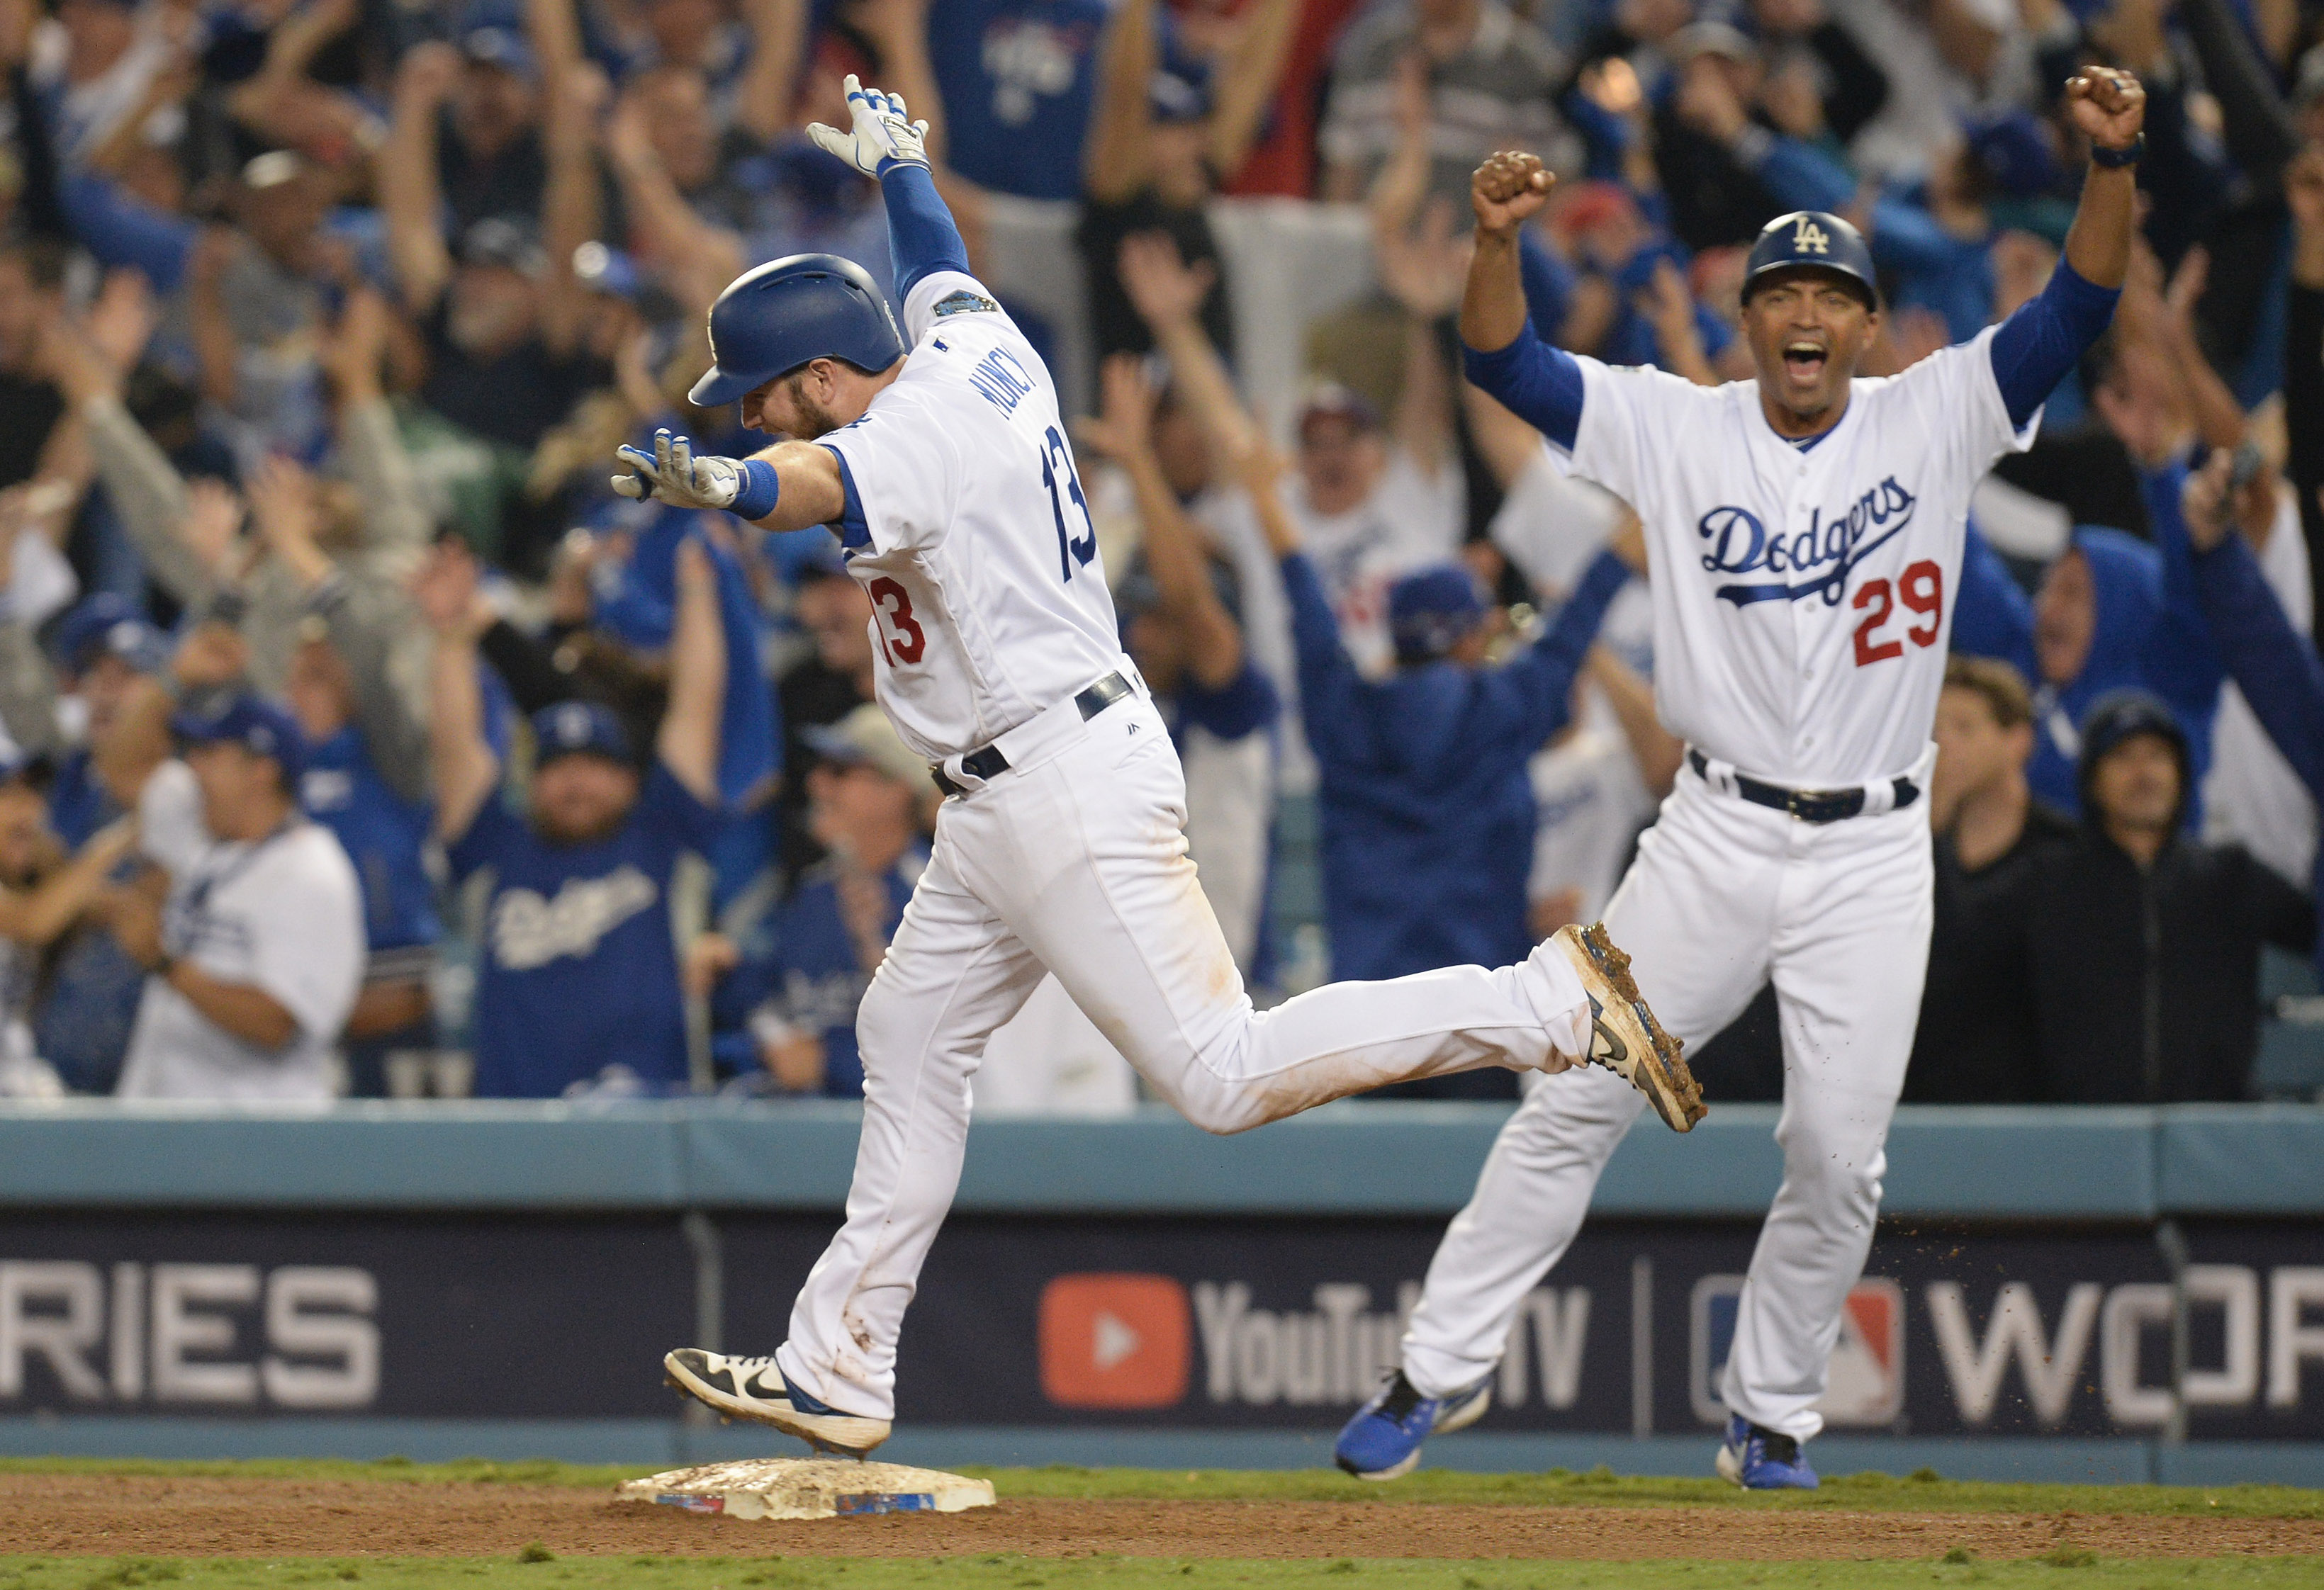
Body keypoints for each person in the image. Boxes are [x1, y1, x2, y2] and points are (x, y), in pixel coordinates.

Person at [610, 74, 1695, 1459]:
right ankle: (839, 1367)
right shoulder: (965, 341)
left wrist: (730, 487)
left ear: (821, 373)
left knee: (1221, 1074)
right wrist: (900, 166)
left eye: (760, 400)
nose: (754, 422)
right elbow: (938, 264)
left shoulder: (908, 434)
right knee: (907, 1037)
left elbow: (816, 486)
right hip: (1012, 787)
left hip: (1061, 775)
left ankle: (1549, 1004)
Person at [1341, 67, 2143, 1491]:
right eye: (1781, 294)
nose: (1806, 317)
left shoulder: (1937, 413)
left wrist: (2109, 168)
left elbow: (2078, 309)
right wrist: (1491, 243)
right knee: (1578, 1096)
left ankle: (1767, 1411)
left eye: (1832, 297)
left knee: (1837, 1158)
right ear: (1749, 323)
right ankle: (1432, 1373)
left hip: (1868, 856)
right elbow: (1502, 365)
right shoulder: (1678, 425)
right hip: (1709, 841)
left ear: (1867, 329)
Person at [413, 535, 726, 1100]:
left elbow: (697, 706)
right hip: (514, 1140)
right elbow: (456, 748)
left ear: (631, 780)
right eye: (557, 766)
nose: (576, 781)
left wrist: (699, 587)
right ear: (531, 784)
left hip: (655, 1135)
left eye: (596, 764)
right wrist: (450, 636)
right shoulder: (495, 850)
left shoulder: (664, 838)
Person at [2026, 689, 2313, 1102]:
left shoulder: (2231, 877)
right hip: (2081, 1135)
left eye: (2159, 756)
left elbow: (2312, 927)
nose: (2144, 773)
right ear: (2092, 779)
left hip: (2213, 1134)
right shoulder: (2048, 882)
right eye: (2123, 756)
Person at [110, 694, 365, 1103]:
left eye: (210, 753)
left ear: (262, 771)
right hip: (174, 1137)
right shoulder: (214, 849)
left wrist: (164, 962)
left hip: (250, 1147)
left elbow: (277, 1024)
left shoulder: (313, 874)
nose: (194, 766)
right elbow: (120, 768)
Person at [694, 704, 933, 1100]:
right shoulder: (815, 891)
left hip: (892, 1125)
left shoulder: (935, 893)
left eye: (838, 773)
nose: (817, 785)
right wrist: (725, 971)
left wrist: (832, 1060)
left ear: (896, 790)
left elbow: (944, 1037)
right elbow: (775, 1002)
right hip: (806, 1118)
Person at [1900, 655, 2073, 1103]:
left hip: (2042, 1116)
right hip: (1918, 1109)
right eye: (1933, 730)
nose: (1943, 744)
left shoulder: (2069, 855)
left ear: (2017, 740)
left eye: (1964, 727)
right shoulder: (1900, 855)